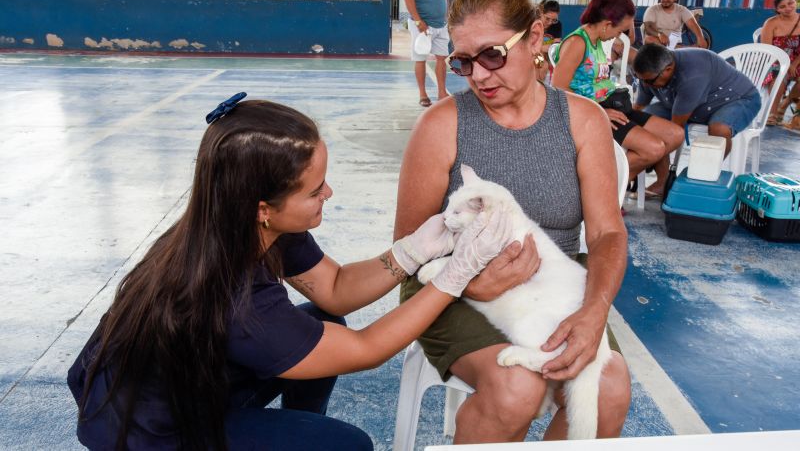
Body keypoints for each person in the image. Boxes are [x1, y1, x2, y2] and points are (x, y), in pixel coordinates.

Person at [67, 96, 513, 450]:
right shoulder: (234, 297)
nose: (329, 193)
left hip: (184, 382)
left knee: (323, 323)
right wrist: (454, 275)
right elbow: (366, 348)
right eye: (316, 191)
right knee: (347, 445)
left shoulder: (243, 222)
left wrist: (410, 252)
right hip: (150, 432)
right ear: (263, 208)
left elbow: (334, 290)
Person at [396, 0, 631, 445]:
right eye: (464, 61)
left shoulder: (583, 120)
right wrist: (472, 284)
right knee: (515, 388)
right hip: (450, 288)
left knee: (608, 390)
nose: (479, 75)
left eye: (492, 54)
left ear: (536, 38)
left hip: (553, 285)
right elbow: (406, 255)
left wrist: (594, 311)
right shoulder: (442, 125)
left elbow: (607, 234)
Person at [552, 0, 683, 190]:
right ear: (607, 24)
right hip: (591, 112)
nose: (618, 36)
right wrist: (599, 112)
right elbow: (558, 87)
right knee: (654, 149)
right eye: (620, 30)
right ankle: (603, 190)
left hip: (612, 104)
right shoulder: (578, 42)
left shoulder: (596, 41)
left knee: (675, 135)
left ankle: (612, 184)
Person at [633, 44, 761, 161]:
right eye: (641, 79)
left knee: (719, 129)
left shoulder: (692, 74)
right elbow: (638, 108)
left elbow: (675, 128)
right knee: (645, 120)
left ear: (668, 69)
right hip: (686, 104)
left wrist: (649, 157)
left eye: (650, 81)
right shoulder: (650, 75)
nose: (645, 84)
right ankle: (662, 181)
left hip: (737, 99)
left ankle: (708, 174)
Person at [404, 0, 450, 107]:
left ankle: (442, 92)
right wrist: (418, 21)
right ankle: (423, 94)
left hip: (441, 24)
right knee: (420, 58)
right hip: (422, 25)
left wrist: (447, 15)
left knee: (441, 59)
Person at [760, 0, 800, 126]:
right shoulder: (771, 23)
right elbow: (766, 49)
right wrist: (784, 64)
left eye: (790, 3)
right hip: (776, 59)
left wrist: (794, 64)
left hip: (797, 59)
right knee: (778, 75)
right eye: (782, 6)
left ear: (795, 2)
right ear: (777, 9)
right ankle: (773, 112)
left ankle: (786, 103)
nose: (788, 8)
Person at [642, 0, 708, 49]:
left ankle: (676, 49)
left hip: (675, 42)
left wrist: (700, 37)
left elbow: (693, 24)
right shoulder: (652, 9)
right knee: (649, 39)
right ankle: (684, 49)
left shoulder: (682, 10)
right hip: (657, 42)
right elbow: (648, 28)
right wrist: (660, 35)